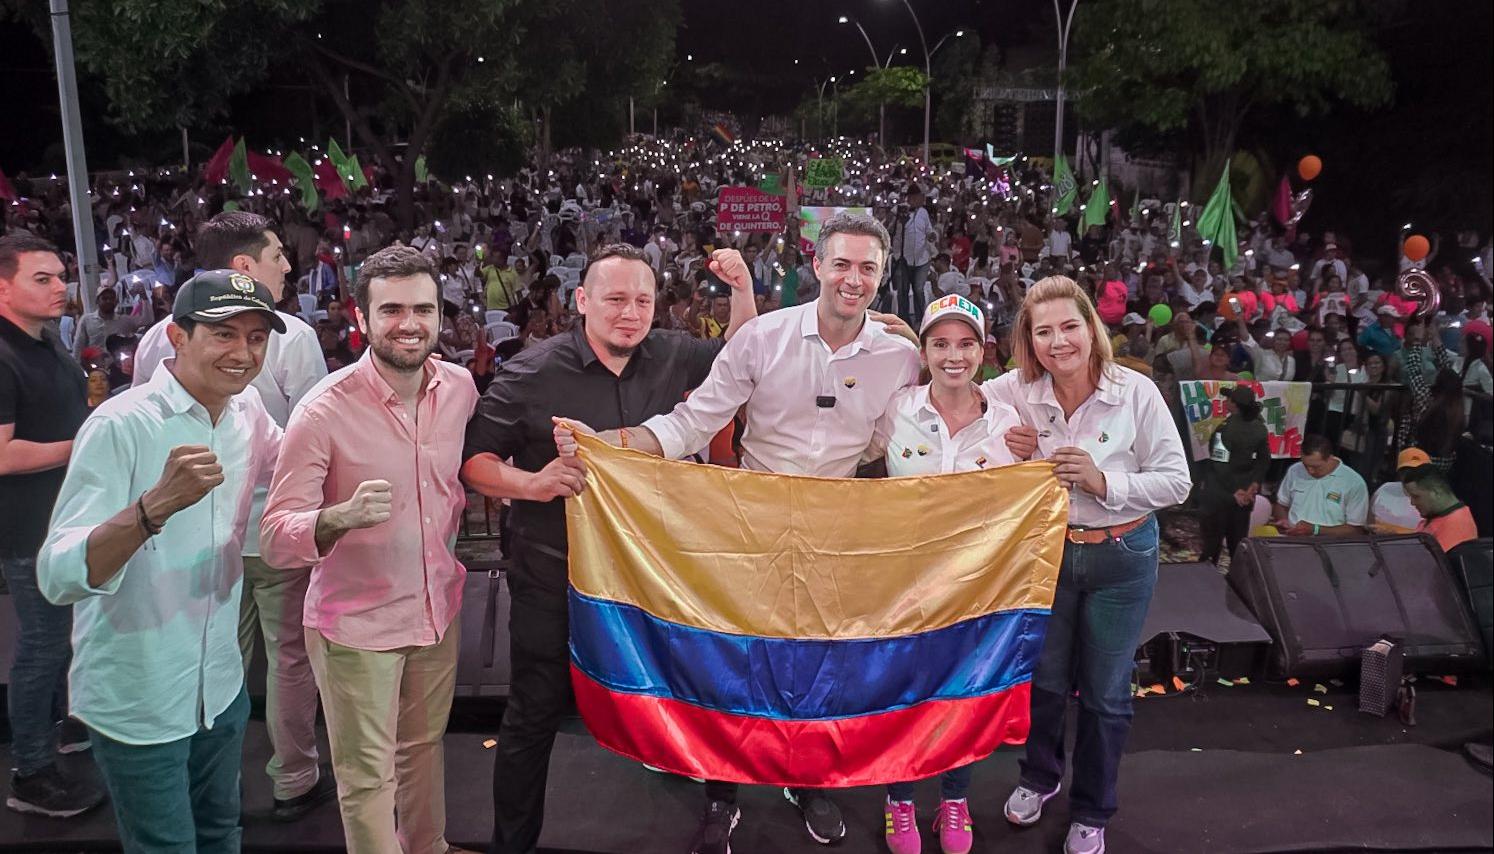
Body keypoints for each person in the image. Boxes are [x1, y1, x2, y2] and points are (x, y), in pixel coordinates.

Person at [556, 213, 922, 853]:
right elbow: (694, 421)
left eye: (867, 267)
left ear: (883, 274)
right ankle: (721, 795)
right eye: (842, 264)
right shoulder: (763, 339)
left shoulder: (902, 357)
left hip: (836, 525)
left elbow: (905, 445)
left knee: (817, 662)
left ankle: (808, 781)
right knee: (736, 660)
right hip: (750, 520)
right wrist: (614, 446)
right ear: (817, 265)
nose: (853, 279)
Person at [461, 243, 755, 854]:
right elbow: (474, 463)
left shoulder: (675, 354)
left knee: (678, 691)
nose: (630, 312)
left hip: (652, 576)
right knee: (534, 711)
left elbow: (739, 358)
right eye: (616, 299)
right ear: (582, 300)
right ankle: (512, 844)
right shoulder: (529, 373)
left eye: (642, 300)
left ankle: (708, 808)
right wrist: (532, 485)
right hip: (553, 573)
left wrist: (743, 290)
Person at [37, 270, 285, 850]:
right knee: (165, 846)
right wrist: (152, 507)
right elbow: (57, 574)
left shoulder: (248, 413)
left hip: (220, 687)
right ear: (177, 336)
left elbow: (300, 465)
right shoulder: (121, 425)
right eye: (224, 333)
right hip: (140, 694)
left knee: (223, 830)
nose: (242, 352)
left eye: (255, 338)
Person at [260, 246, 478, 853]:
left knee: (424, 751)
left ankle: (428, 847)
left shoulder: (459, 388)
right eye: (392, 310)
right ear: (363, 317)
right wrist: (336, 519)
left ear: (439, 316)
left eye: (422, 309)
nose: (409, 323)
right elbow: (276, 537)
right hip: (356, 627)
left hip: (438, 613)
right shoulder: (322, 411)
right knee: (365, 778)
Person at [131, 211, 334, 819]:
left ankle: (209, 782)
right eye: (277, 255)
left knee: (213, 652)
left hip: (196, 529)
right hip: (268, 525)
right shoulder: (291, 336)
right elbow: (313, 434)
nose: (288, 265)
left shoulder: (156, 337)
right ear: (243, 267)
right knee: (288, 657)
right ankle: (293, 776)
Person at [986, 276, 1190, 854]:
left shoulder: (1136, 393)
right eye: (1043, 331)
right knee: (1045, 680)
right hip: (1047, 555)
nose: (1058, 342)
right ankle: (1039, 777)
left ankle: (1093, 808)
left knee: (1104, 692)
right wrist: (1006, 441)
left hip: (1122, 557)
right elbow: (956, 394)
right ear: (1030, 339)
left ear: (1090, 327)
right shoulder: (1015, 391)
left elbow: (1177, 481)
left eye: (1069, 327)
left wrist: (1106, 482)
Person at [866, 295, 1022, 854]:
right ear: (924, 351)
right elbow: (847, 454)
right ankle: (900, 802)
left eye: (965, 344)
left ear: (983, 351)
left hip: (977, 588)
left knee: (965, 694)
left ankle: (954, 800)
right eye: (940, 344)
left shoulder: (1010, 424)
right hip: (903, 584)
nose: (953, 356)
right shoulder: (898, 408)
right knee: (905, 693)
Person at [0, 234, 104, 817]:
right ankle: (31, 773)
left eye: (60, 276)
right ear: (3, 287)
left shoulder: (44, 342)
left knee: (63, 640)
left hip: (61, 523)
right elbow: (1, 454)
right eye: (41, 278)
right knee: (41, 646)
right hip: (27, 530)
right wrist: (83, 444)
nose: (59, 287)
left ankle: (67, 729)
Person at [1196, 385, 1271, 565]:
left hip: (1221, 493)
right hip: (1246, 491)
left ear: (1234, 404)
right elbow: (1264, 459)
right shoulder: (1259, 428)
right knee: (1237, 541)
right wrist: (1254, 484)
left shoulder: (1225, 430)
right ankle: (1239, 579)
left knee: (1212, 542)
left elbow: (1220, 464)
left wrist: (1235, 490)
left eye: (1228, 399)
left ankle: (1205, 579)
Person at [1270, 434, 1369, 535]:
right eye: (1305, 465)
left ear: (1330, 458)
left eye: (1316, 467)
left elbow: (1355, 529)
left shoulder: (1354, 482)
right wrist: (1283, 520)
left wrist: (1315, 529)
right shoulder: (1295, 470)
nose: (1310, 471)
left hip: (1329, 546)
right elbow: (1281, 504)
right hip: (1292, 540)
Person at [1401, 463, 1479, 553]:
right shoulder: (1437, 515)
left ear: (1436, 492)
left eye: (1416, 496)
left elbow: (1427, 564)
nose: (1412, 503)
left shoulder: (1457, 525)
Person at [71, 282, 153, 362]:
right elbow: (78, 346)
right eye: (104, 298)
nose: (108, 301)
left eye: (111, 298)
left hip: (119, 366)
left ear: (116, 302)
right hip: (96, 368)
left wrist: (144, 297)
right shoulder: (86, 320)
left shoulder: (124, 320)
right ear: (97, 301)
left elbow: (147, 320)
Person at [889, 186, 936, 325]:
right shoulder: (898, 210)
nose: (922, 200)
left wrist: (931, 235)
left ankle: (922, 321)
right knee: (903, 290)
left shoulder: (924, 212)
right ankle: (904, 321)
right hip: (903, 257)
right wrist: (898, 219)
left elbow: (928, 230)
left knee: (918, 289)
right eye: (920, 197)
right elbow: (890, 228)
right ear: (911, 197)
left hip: (922, 258)